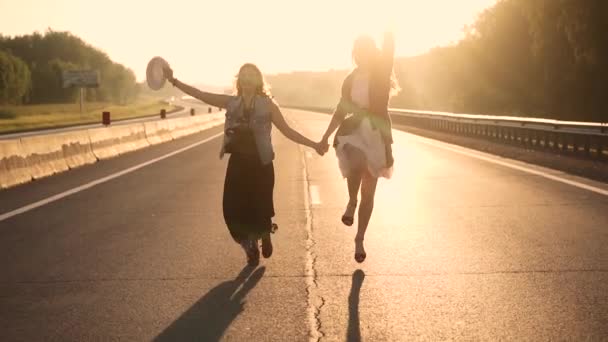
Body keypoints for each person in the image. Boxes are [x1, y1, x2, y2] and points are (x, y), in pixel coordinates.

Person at [163, 63, 326, 265]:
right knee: (232, 208)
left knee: (260, 207)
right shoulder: (232, 103)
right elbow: (200, 94)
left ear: (258, 81)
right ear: (239, 80)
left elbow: (287, 131)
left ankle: (264, 233)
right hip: (238, 163)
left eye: (252, 75)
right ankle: (249, 244)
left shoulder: (268, 105)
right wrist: (173, 81)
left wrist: (314, 144)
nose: (247, 78)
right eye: (244, 75)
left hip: (262, 164)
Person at [320, 32, 400, 263]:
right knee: (355, 160)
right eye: (359, 51)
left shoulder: (382, 71)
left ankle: (360, 239)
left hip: (376, 132)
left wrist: (391, 22)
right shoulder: (350, 79)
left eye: (367, 50)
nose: (362, 54)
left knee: (370, 191)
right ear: (355, 54)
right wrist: (325, 137)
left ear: (373, 52)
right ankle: (351, 201)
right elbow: (340, 109)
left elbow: (390, 45)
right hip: (354, 129)